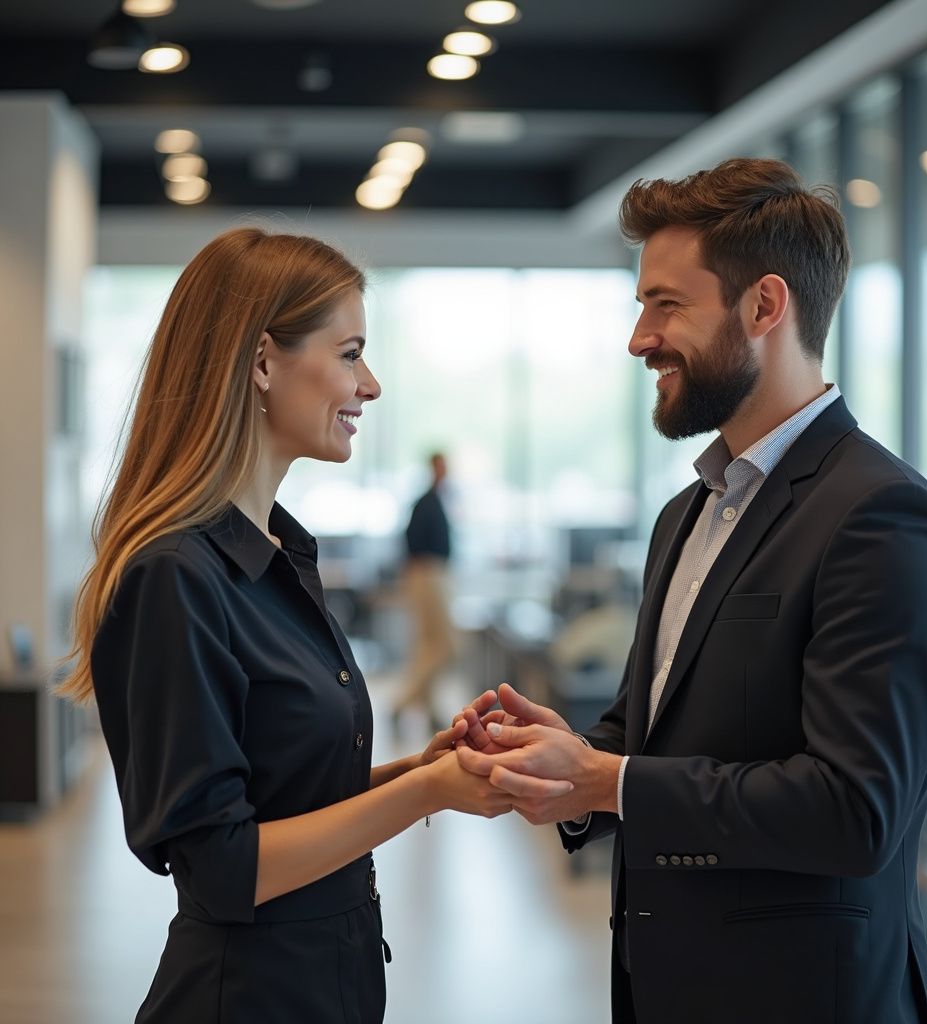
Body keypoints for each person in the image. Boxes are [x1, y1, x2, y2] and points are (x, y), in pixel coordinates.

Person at [456, 159, 927, 1024]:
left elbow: (854, 810)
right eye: (640, 307)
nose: (639, 338)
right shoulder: (685, 513)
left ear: (765, 306)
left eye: (666, 305)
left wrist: (608, 780)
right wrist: (564, 759)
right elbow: (656, 729)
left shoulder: (882, 514)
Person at [58, 227, 569, 1024]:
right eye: (350, 352)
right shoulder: (175, 577)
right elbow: (223, 866)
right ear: (262, 362)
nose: (371, 385)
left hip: (329, 982)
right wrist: (427, 793)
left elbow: (282, 801)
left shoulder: (279, 553)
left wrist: (416, 771)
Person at [393, 451, 455, 731]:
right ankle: (401, 703)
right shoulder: (426, 502)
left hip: (433, 574)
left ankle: (428, 710)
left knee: (430, 645)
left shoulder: (436, 500)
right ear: (433, 467)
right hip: (427, 574)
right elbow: (412, 544)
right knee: (443, 644)